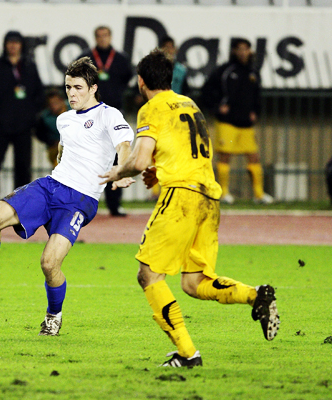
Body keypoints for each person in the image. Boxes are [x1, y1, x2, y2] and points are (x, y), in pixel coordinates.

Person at [99, 49, 280, 367]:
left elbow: (139, 159)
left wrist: (118, 172)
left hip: (180, 198)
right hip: (208, 198)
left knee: (148, 275)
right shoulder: (188, 103)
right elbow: (186, 147)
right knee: (193, 282)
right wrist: (159, 167)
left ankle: (187, 353)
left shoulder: (150, 108)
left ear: (141, 82)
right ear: (169, 78)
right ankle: (255, 295)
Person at [0, 57, 135, 336]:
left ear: (93, 88)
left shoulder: (109, 115)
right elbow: (64, 149)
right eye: (68, 87)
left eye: (78, 88)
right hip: (51, 186)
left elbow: (124, 145)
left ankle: (54, 315)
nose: (71, 93)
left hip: (80, 200)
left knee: (49, 263)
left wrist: (122, 170)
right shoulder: (64, 119)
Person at [201, 38, 273, 205]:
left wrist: (255, 111)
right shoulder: (225, 71)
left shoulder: (253, 73)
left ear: (250, 51)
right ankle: (224, 193)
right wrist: (217, 107)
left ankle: (259, 194)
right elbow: (206, 91)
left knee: (254, 157)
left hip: (246, 125)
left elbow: (257, 96)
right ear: (233, 51)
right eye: (240, 49)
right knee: (225, 156)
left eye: (246, 49)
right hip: (227, 123)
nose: (243, 52)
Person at [0, 31, 45, 211]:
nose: (13, 46)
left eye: (16, 43)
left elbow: (38, 94)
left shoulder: (30, 66)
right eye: (10, 42)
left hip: (23, 127)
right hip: (1, 126)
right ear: (5, 45)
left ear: (21, 45)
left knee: (23, 166)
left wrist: (30, 116)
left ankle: (22, 203)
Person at [79, 26, 133, 217]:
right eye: (99, 36)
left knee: (116, 157)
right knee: (89, 157)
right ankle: (82, 202)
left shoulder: (120, 59)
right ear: (95, 37)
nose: (102, 39)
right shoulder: (86, 58)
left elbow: (127, 77)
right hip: (91, 114)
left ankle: (114, 204)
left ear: (110, 37)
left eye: (105, 35)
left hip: (114, 113)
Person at [148, 35, 191, 200]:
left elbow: (186, 91)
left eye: (170, 48)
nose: (168, 51)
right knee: (156, 151)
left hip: (176, 115)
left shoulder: (181, 70)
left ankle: (175, 186)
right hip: (159, 113)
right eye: (165, 48)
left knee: (176, 151)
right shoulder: (153, 69)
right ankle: (154, 191)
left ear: (175, 50)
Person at [35, 89, 69, 167]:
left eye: (55, 103)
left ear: (62, 101)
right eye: (50, 104)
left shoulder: (75, 111)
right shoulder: (45, 118)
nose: (53, 106)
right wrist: (51, 142)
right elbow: (40, 133)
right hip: (56, 150)